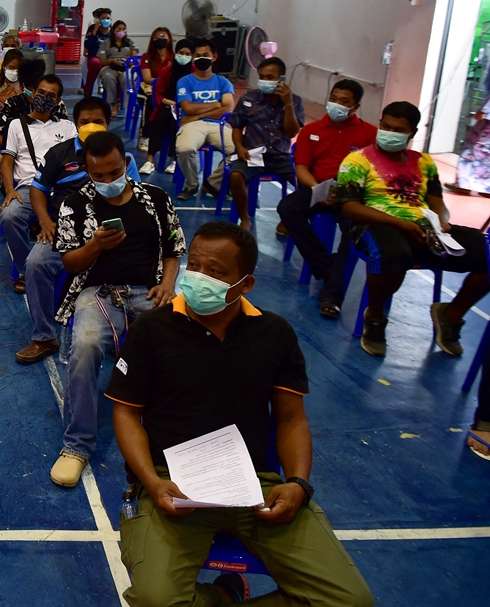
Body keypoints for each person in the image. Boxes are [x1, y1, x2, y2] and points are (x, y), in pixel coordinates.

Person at [107, 221, 374, 607]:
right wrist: (150, 481)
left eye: (214, 272)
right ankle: (221, 595)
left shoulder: (275, 334)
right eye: (194, 265)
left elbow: (291, 419)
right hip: (171, 487)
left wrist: (298, 482)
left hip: (257, 488)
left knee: (351, 602)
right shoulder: (151, 329)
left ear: (244, 284)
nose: (198, 277)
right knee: (153, 600)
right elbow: (127, 414)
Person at [43, 127, 185, 487]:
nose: (106, 180)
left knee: (179, 346)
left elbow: (173, 249)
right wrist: (96, 246)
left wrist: (168, 284)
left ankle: (173, 434)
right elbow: (71, 263)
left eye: (113, 173)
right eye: (97, 176)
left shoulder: (155, 198)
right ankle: (77, 445)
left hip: (150, 290)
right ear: (87, 171)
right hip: (98, 292)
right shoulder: (74, 205)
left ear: (126, 162)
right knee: (86, 346)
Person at [337, 101, 490, 357]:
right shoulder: (357, 160)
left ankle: (450, 315)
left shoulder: (424, 162)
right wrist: (399, 223)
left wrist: (442, 222)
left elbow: (437, 201)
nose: (389, 132)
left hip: (423, 227)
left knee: (484, 251)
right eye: (385, 126)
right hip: (376, 225)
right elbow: (349, 208)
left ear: (412, 134)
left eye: (397, 129)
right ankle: (375, 316)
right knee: (394, 252)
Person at [16, 97, 112, 366]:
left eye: (98, 122)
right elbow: (37, 189)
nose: (91, 126)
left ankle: (120, 333)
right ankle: (45, 337)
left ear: (109, 123)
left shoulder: (119, 155)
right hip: (64, 227)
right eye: (85, 122)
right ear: (75, 122)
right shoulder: (60, 153)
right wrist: (45, 221)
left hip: (106, 229)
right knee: (35, 263)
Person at [277, 80, 376, 320]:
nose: (336, 105)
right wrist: (318, 189)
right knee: (288, 207)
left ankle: (332, 295)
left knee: (351, 230)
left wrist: (346, 194)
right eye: (334, 98)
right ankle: (325, 266)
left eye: (344, 101)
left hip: (350, 196)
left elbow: (373, 173)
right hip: (317, 188)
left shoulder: (369, 133)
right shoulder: (312, 130)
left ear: (355, 106)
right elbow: (301, 168)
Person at [0, 75, 76, 295]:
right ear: (33, 93)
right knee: (10, 216)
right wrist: (9, 189)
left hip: (61, 189)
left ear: (58, 100)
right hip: (28, 187)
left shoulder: (68, 127)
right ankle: (27, 269)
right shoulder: (16, 124)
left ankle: (67, 265)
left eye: (50, 95)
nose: (44, 97)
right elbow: (7, 161)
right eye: (41, 92)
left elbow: (75, 160)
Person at [227, 57, 304, 230]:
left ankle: (288, 217)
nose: (265, 81)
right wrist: (239, 148)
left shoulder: (295, 101)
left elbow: (292, 132)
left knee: (305, 182)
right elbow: (237, 126)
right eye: (262, 77)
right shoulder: (249, 97)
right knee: (236, 176)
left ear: (281, 79)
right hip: (252, 154)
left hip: (280, 156)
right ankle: (245, 217)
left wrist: (288, 105)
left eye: (270, 77)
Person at [175, 38, 236, 201]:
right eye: (198, 55)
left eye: (206, 55)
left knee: (239, 150)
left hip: (219, 125)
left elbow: (228, 108)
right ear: (193, 57)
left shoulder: (223, 82)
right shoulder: (185, 81)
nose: (202, 58)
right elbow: (187, 108)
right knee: (184, 149)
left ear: (214, 57)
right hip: (192, 125)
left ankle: (214, 183)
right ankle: (191, 185)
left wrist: (200, 113)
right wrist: (216, 104)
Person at [140, 38, 193, 176]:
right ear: (176, 53)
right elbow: (158, 93)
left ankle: (175, 159)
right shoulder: (167, 70)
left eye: (188, 54)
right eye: (181, 53)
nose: (184, 56)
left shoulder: (194, 73)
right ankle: (150, 160)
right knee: (159, 120)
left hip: (187, 110)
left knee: (174, 123)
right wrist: (169, 103)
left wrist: (183, 106)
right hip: (167, 105)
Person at [96, 20, 137, 113]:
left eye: (123, 29)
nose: (121, 31)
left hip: (126, 68)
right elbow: (102, 61)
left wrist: (129, 61)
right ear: (114, 30)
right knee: (107, 77)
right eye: (119, 29)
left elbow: (134, 57)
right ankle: (114, 104)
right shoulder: (106, 43)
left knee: (127, 79)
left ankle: (128, 105)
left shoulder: (130, 42)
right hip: (110, 67)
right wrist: (111, 61)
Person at [81, 8, 112, 94]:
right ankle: (88, 90)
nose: (106, 20)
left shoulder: (113, 31)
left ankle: (113, 94)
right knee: (95, 64)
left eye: (108, 18)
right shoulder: (92, 28)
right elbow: (88, 45)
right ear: (99, 19)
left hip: (109, 57)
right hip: (95, 56)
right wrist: (94, 32)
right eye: (103, 18)